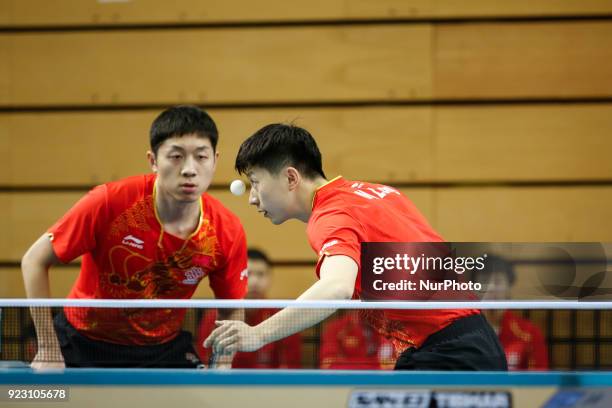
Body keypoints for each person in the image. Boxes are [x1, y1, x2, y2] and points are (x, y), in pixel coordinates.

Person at [204, 123, 507, 370]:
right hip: (464, 341)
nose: (253, 198)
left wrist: (258, 334)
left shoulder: (330, 216)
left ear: (291, 177)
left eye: (256, 182)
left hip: (451, 354)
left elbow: (337, 288)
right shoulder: (377, 192)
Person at [21, 105, 247, 369]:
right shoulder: (108, 203)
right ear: (153, 161)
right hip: (83, 340)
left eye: (201, 157)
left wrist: (221, 367)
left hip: (163, 349)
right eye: (176, 156)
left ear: (215, 160)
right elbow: (34, 260)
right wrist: (48, 349)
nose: (189, 169)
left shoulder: (226, 230)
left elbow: (231, 307)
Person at [196, 248, 302, 368]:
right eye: (248, 274)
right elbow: (204, 360)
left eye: (261, 274)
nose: (255, 281)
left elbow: (290, 366)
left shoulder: (284, 317)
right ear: (238, 275)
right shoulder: (215, 315)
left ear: (270, 278)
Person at [472, 255, 549, 370]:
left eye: (498, 281)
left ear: (509, 287)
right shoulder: (462, 334)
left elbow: (540, 381)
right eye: (484, 281)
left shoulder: (529, 333)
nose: (491, 287)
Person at [320, 310, 394, 370]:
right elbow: (327, 363)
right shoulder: (336, 327)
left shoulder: (386, 328)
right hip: (347, 376)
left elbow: (390, 362)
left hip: (376, 376)